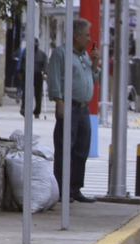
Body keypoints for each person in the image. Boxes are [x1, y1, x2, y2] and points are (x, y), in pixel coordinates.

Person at [47, 18, 101, 203]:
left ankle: (75, 189)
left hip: (83, 109)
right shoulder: (61, 54)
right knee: (65, 149)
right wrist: (59, 102)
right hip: (69, 106)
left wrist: (95, 61)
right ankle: (62, 190)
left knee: (81, 150)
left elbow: (93, 76)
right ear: (76, 36)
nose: (89, 39)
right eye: (86, 35)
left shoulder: (83, 55)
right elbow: (54, 80)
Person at [18, 38, 48, 118]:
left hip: (38, 75)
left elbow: (45, 64)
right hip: (27, 75)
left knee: (38, 94)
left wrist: (45, 73)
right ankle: (24, 109)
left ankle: (37, 111)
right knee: (26, 92)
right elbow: (22, 63)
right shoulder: (26, 52)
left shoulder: (42, 54)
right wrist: (20, 71)